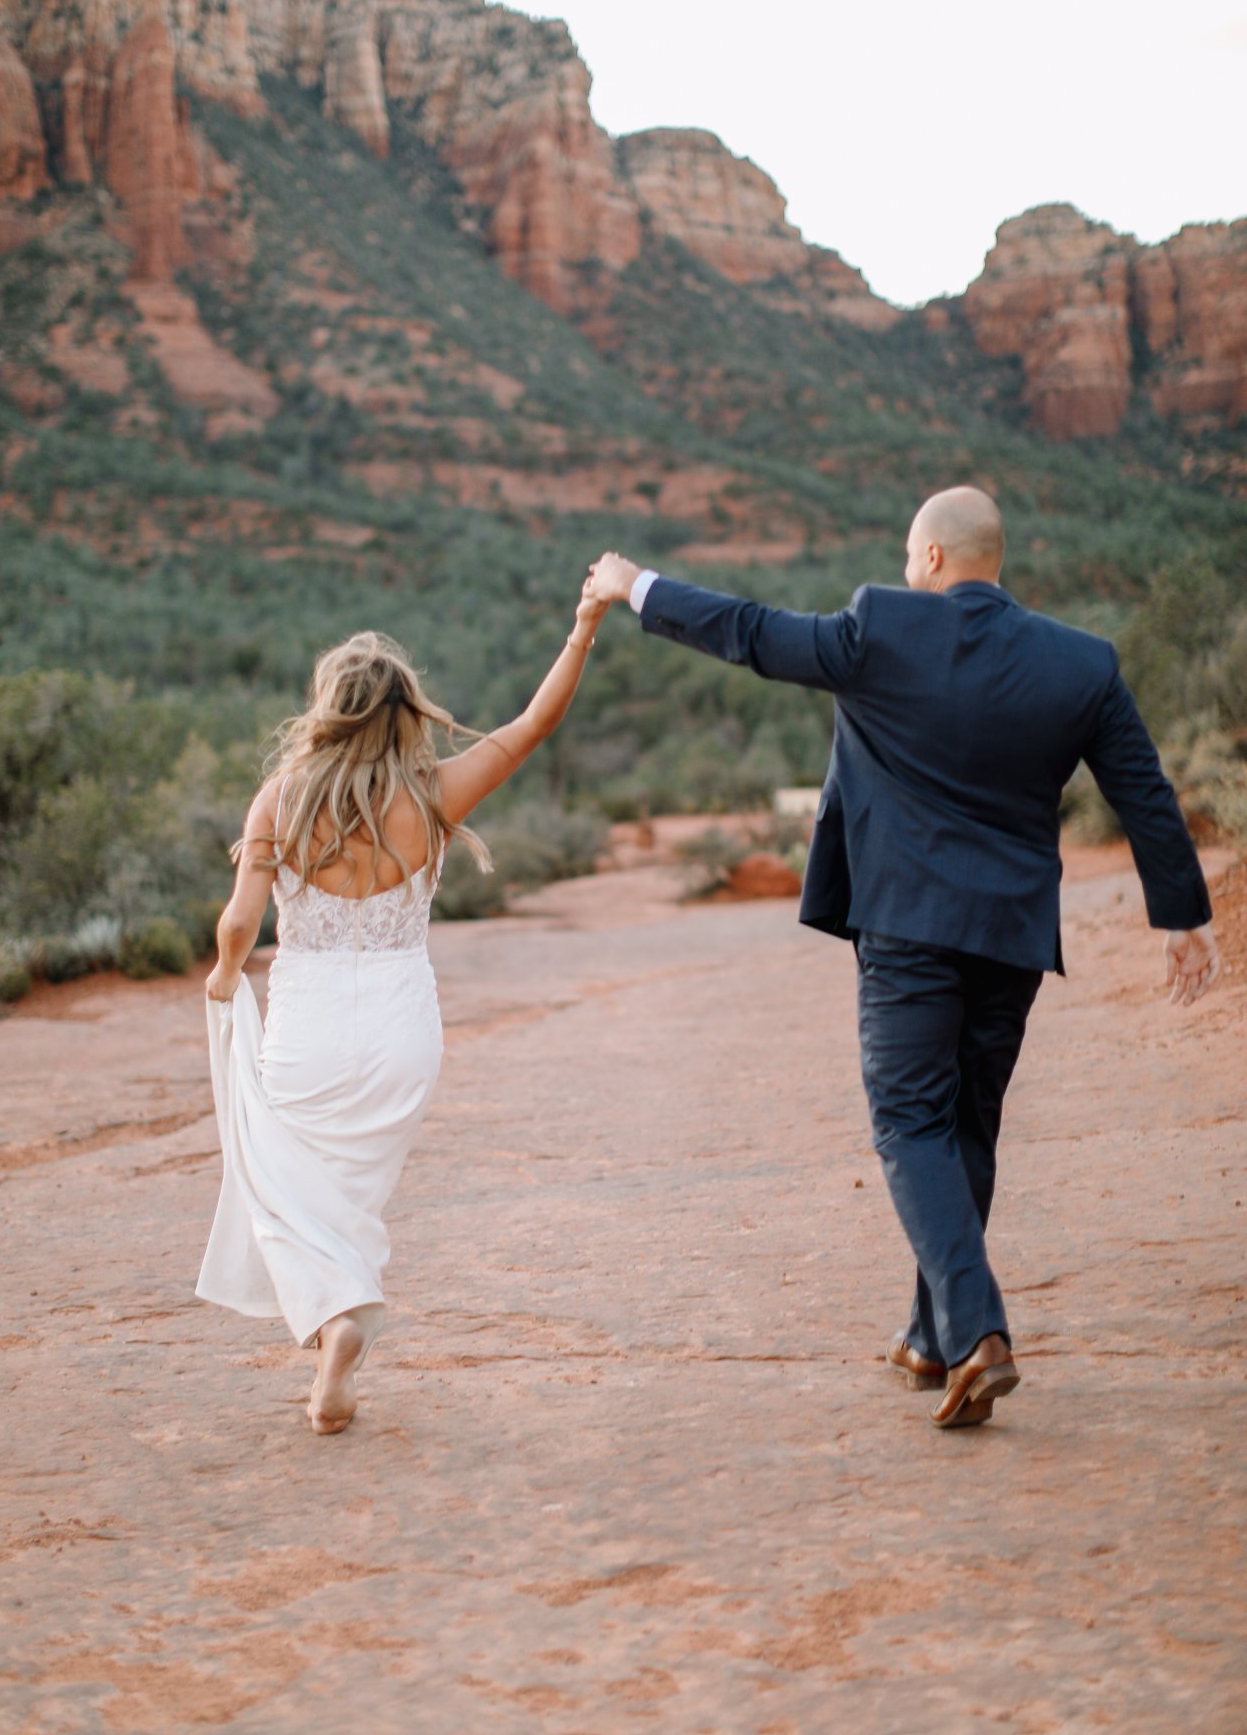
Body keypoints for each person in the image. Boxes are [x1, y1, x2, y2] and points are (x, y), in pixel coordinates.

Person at [584, 488, 1219, 1430]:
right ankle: (931, 1338)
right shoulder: (1080, 662)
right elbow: (1141, 787)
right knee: (966, 1126)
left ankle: (976, 1333)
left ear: (926, 559)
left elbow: (751, 633)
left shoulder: (880, 627)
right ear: (992, 561)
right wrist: (1183, 916)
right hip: (1010, 937)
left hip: (909, 929)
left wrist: (635, 585)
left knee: (909, 1124)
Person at [197, 583, 606, 1434]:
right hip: (399, 1027)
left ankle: (337, 1321)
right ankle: (336, 1338)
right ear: (401, 712)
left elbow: (240, 920)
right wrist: (581, 629)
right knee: (351, 1193)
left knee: (280, 1187)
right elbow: (532, 725)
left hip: (306, 1021)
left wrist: (225, 977)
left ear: (329, 708)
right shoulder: (433, 795)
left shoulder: (282, 797)